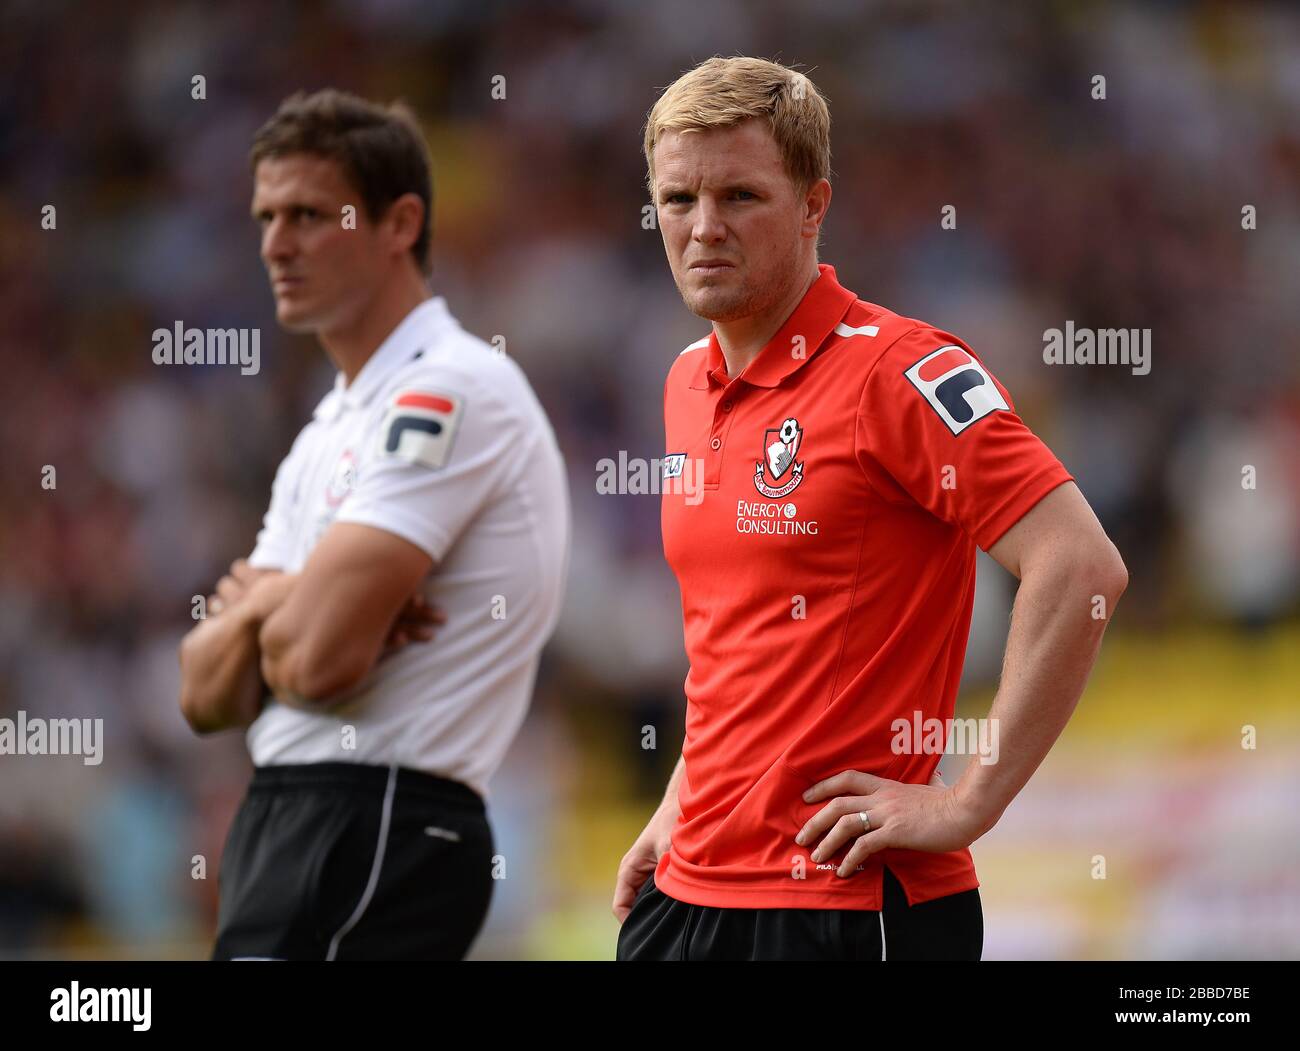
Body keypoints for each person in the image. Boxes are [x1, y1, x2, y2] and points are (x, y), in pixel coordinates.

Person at [614, 57, 1127, 961]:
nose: (703, 229)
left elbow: (1081, 566)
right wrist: (678, 803)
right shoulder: (685, 383)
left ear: (814, 205)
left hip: (846, 902)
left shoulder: (901, 373)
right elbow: (735, 635)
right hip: (685, 891)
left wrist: (971, 798)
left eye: (740, 196)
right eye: (677, 199)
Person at [178, 89, 570, 960]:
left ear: (400, 224)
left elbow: (318, 662)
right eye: (267, 216)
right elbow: (204, 693)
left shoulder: (454, 388)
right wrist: (292, 596)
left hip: (379, 817)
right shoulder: (331, 425)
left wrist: (262, 604)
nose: (276, 244)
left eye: (311, 215)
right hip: (294, 817)